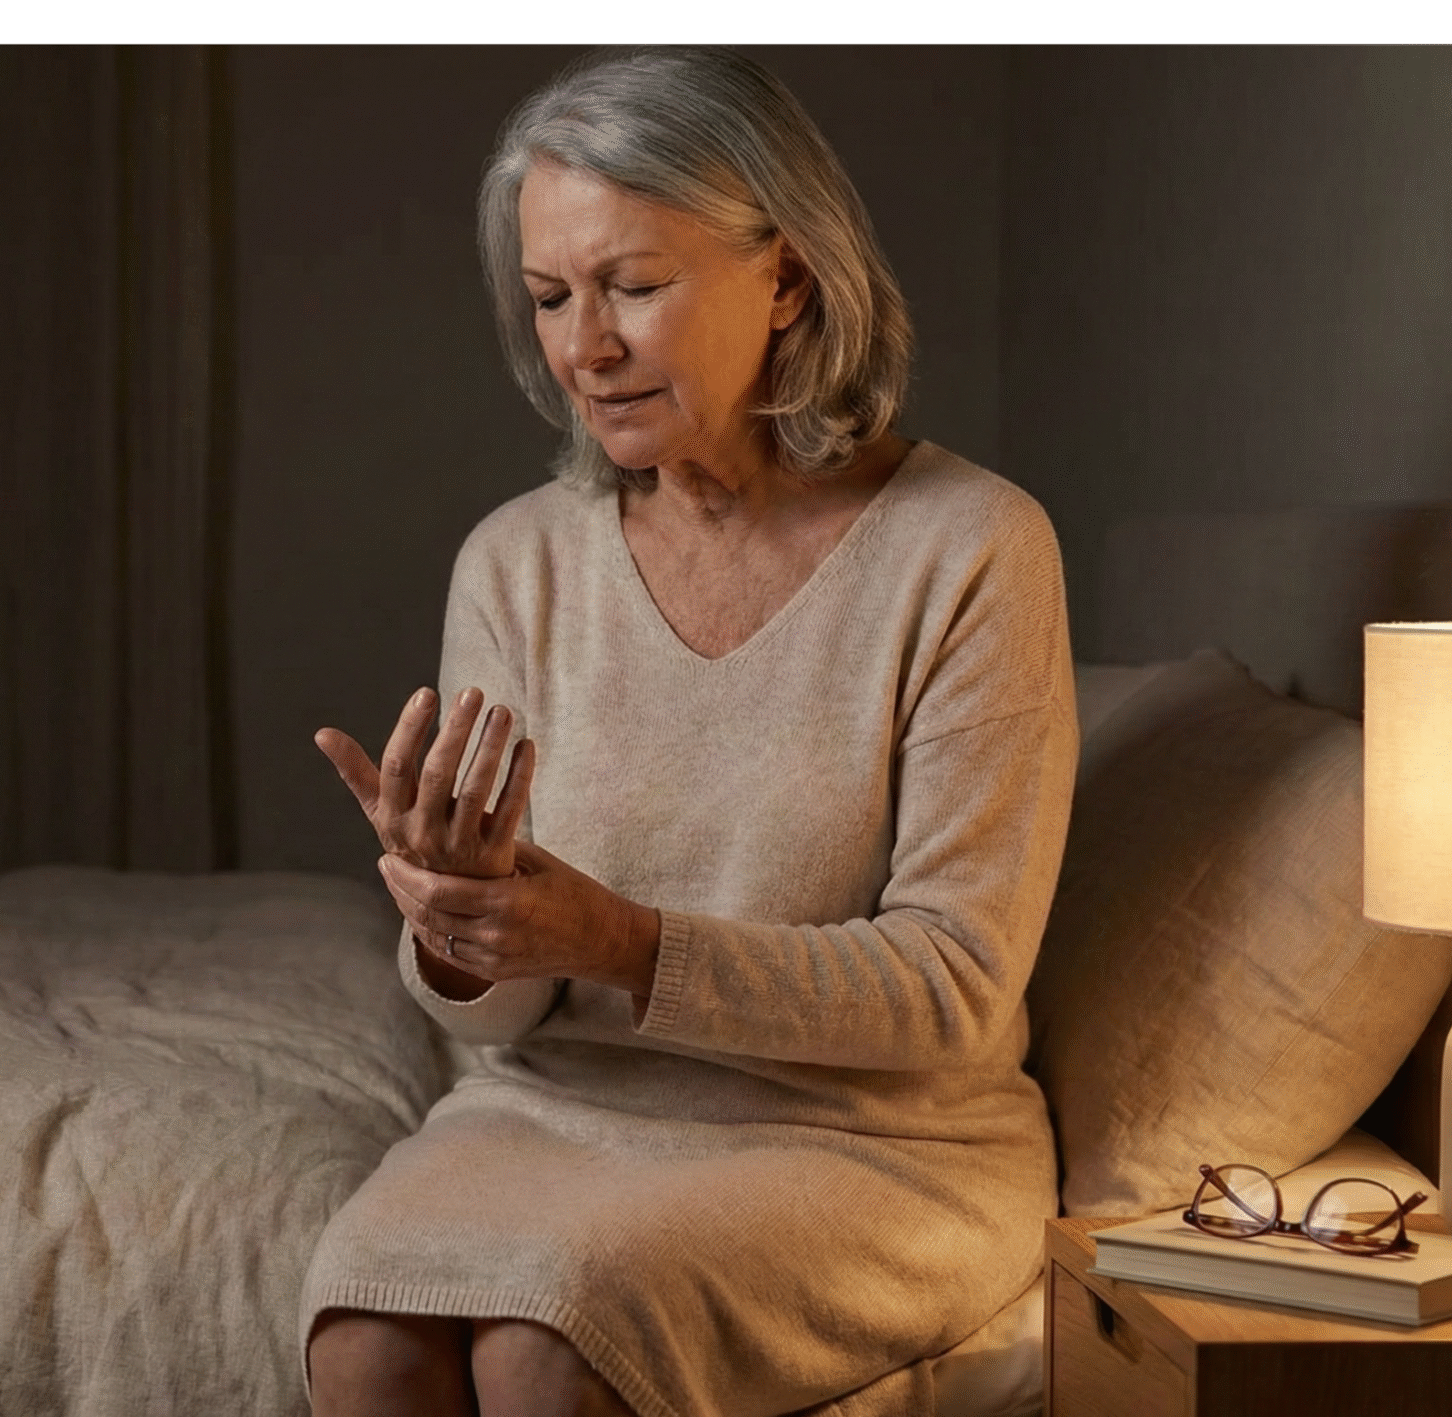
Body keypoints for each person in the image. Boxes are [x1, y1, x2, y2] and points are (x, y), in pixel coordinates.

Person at [301, 46, 1074, 1417]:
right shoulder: (517, 564)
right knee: (363, 1334)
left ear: (785, 277)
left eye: (633, 288)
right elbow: (485, 1024)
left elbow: (957, 987)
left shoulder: (973, 552)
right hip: (558, 1100)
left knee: (550, 1346)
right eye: (548, 298)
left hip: (874, 1139)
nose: (582, 347)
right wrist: (454, 924)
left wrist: (618, 940)